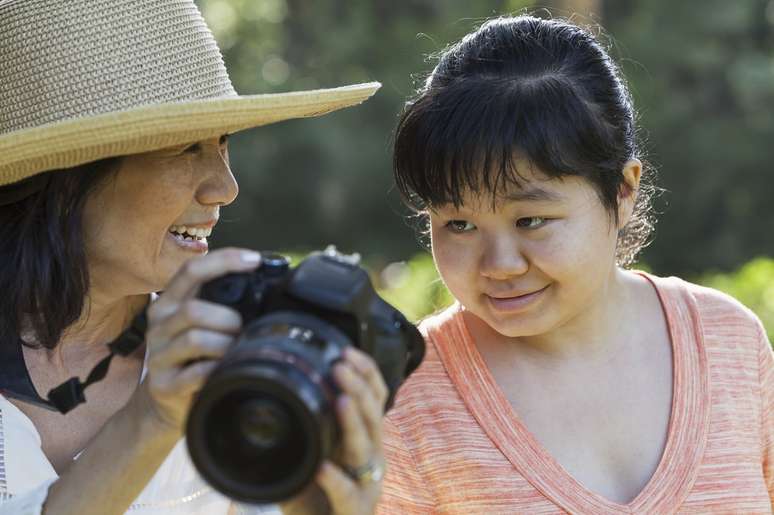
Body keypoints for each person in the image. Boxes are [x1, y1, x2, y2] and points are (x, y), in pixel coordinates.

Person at [0, 0, 388, 514]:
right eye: (185, 148)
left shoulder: (239, 369)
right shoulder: (184, 380)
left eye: (223, 143)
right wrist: (152, 418)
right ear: (64, 179)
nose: (225, 187)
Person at [378, 15, 774, 513]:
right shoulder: (406, 397)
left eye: (530, 220)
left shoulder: (730, 343)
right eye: (459, 224)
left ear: (623, 190)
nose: (499, 265)